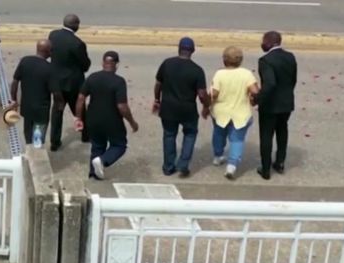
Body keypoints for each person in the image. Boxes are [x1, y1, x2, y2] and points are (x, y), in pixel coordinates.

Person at [74, 51, 138, 180]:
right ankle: (103, 161)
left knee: (97, 145)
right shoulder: (119, 81)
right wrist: (132, 122)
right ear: (117, 64)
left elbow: (81, 99)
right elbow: (122, 106)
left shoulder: (92, 77)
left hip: (92, 119)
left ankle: (94, 174)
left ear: (103, 62)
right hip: (112, 120)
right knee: (119, 145)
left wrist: (78, 118)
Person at [152, 37, 210, 178]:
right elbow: (202, 94)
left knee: (169, 135)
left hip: (168, 107)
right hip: (188, 109)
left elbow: (158, 84)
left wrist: (157, 100)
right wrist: (206, 106)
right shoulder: (197, 70)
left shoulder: (167, 64)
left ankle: (168, 167)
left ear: (179, 48)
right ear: (193, 51)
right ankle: (183, 164)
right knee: (190, 134)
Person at [209, 46, 260, 180]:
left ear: (224, 60)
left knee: (218, 134)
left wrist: (208, 103)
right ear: (240, 60)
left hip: (220, 112)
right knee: (237, 139)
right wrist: (253, 100)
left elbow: (214, 93)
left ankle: (218, 156)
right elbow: (255, 91)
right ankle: (232, 165)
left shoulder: (219, 74)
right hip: (240, 113)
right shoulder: (246, 74)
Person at [256, 31, 298, 180]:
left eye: (263, 41)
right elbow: (293, 79)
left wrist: (258, 99)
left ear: (268, 42)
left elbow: (270, 83)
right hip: (286, 102)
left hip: (270, 105)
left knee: (266, 135)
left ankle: (265, 169)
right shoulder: (290, 57)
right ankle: (280, 162)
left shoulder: (265, 60)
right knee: (282, 131)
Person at [47, 14, 92, 150]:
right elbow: (85, 65)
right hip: (73, 83)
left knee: (57, 111)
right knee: (80, 110)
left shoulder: (53, 35)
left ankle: (55, 142)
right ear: (76, 25)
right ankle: (85, 135)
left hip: (56, 83)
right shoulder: (77, 43)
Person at [11, 40, 64, 146]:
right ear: (48, 51)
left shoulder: (25, 61)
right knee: (38, 139)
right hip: (41, 111)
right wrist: (60, 104)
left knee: (28, 133)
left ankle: (29, 150)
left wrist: (14, 100)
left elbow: (15, 81)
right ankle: (36, 155)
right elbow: (56, 93)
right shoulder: (50, 68)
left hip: (26, 107)